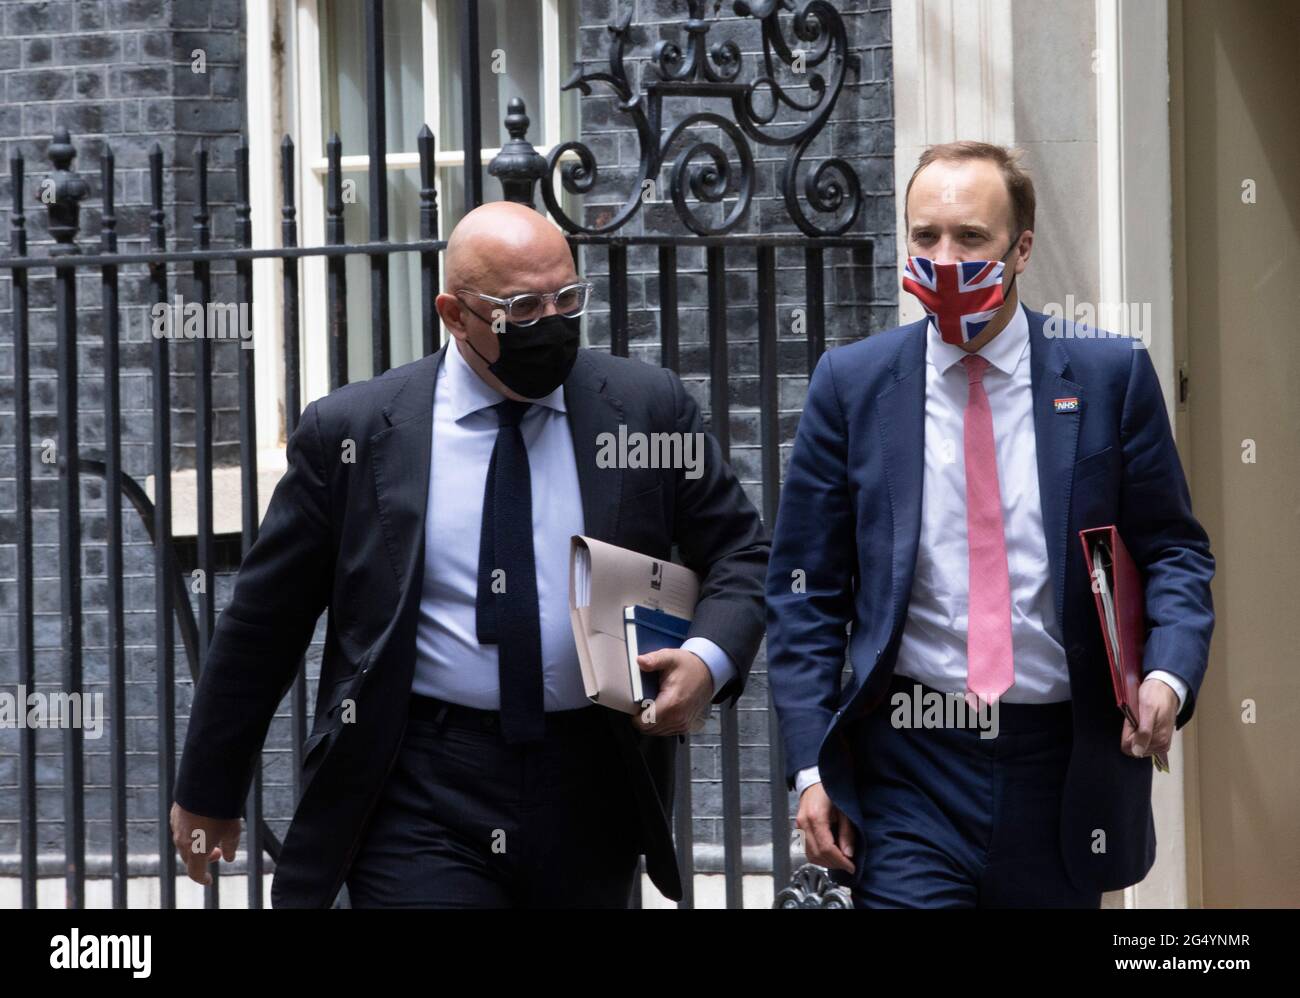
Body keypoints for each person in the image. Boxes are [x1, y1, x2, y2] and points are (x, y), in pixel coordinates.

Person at [170, 200, 769, 908]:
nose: (551, 322)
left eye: (567, 298)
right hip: (419, 778)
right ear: (455, 314)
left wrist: (706, 659)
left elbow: (742, 553)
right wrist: (209, 789)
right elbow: (265, 623)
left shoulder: (645, 410)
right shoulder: (354, 432)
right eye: (521, 308)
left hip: (590, 776)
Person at [766, 141, 1215, 907]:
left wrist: (1167, 676)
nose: (944, 258)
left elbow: (1172, 548)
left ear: (1022, 249)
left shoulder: (1108, 374)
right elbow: (805, 591)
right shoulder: (852, 384)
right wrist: (811, 765)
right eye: (924, 237)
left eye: (970, 238)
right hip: (910, 762)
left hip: (1062, 762)